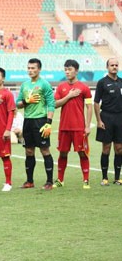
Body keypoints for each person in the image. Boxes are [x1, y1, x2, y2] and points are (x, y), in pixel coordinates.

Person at [16, 58, 56, 190]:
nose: (30, 71)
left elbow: (51, 104)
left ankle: (49, 182)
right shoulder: (24, 85)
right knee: (28, 151)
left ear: (39, 69)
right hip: (27, 121)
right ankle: (29, 181)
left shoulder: (44, 84)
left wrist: (48, 123)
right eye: (29, 68)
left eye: (33, 68)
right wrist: (26, 101)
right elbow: (18, 104)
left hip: (41, 121)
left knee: (44, 150)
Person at [54, 59, 93, 189]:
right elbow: (55, 104)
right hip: (64, 127)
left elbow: (89, 107)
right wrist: (69, 96)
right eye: (65, 69)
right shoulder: (61, 87)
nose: (67, 72)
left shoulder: (84, 87)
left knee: (82, 152)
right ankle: (60, 180)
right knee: (63, 153)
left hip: (78, 127)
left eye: (70, 69)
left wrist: (87, 126)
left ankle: (86, 180)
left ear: (76, 71)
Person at [94, 58, 122, 185]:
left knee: (119, 148)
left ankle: (117, 178)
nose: (114, 67)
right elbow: (96, 102)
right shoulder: (102, 83)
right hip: (106, 117)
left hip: (120, 118)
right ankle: (104, 178)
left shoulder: (121, 82)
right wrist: (99, 120)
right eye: (112, 65)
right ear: (107, 67)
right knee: (106, 148)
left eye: (116, 65)